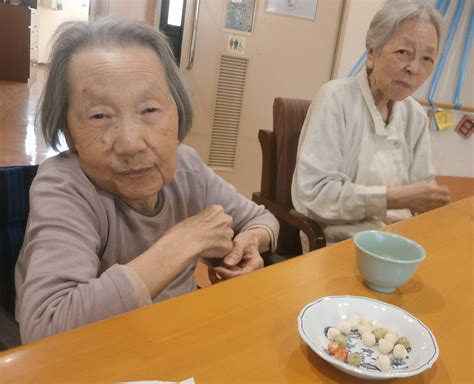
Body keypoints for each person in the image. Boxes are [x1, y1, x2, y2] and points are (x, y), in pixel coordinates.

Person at [15, 18, 279, 343]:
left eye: (150, 109)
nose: (130, 143)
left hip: (173, 339)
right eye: (100, 116)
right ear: (68, 132)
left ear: (178, 112)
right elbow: (44, 328)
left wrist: (250, 242)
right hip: (97, 356)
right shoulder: (64, 185)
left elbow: (262, 218)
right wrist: (181, 243)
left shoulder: (187, 166)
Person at [292, 0, 449, 249]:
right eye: (403, 53)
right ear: (372, 52)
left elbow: (423, 193)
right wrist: (392, 198)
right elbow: (316, 196)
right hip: (341, 243)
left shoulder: (415, 115)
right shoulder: (336, 98)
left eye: (427, 58)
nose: (414, 68)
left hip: (400, 242)